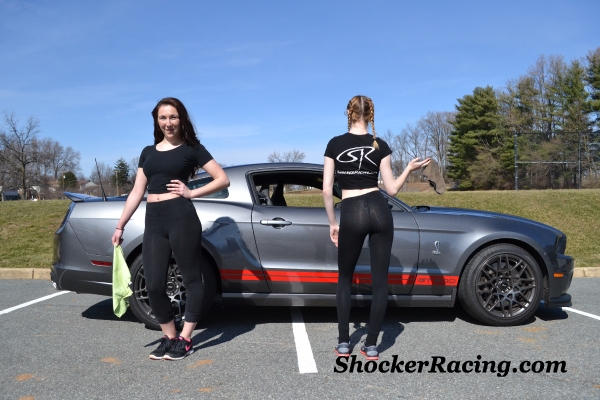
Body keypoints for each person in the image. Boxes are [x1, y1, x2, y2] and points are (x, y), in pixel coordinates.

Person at [111, 97, 229, 361]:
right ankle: (169, 336)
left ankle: (185, 339)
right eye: (163, 118)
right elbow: (136, 192)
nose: (168, 122)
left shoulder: (192, 148)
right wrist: (120, 225)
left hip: (181, 216)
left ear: (181, 119)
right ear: (157, 120)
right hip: (154, 220)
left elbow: (223, 179)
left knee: (190, 279)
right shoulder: (148, 152)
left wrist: (192, 192)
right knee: (153, 284)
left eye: (173, 117)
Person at [323, 95, 430, 361]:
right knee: (380, 282)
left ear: (348, 113)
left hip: (352, 211)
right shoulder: (379, 144)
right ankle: (372, 346)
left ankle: (344, 343)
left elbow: (327, 190)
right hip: (380, 209)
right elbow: (392, 190)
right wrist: (408, 168)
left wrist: (333, 223)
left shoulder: (335, 144)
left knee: (345, 279)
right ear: (370, 115)